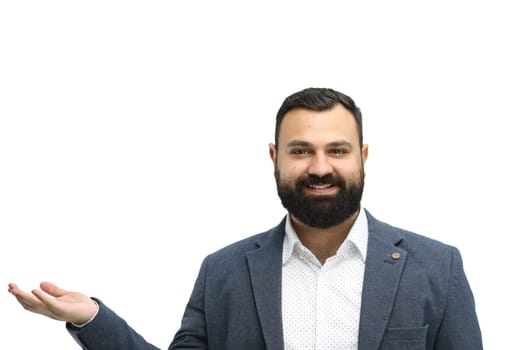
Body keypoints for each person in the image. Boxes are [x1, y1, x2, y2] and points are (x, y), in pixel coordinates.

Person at [8, 87, 483, 349]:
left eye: (336, 150)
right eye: (301, 151)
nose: (319, 167)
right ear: (275, 156)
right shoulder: (225, 272)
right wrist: (93, 319)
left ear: (362, 156)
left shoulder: (436, 267)